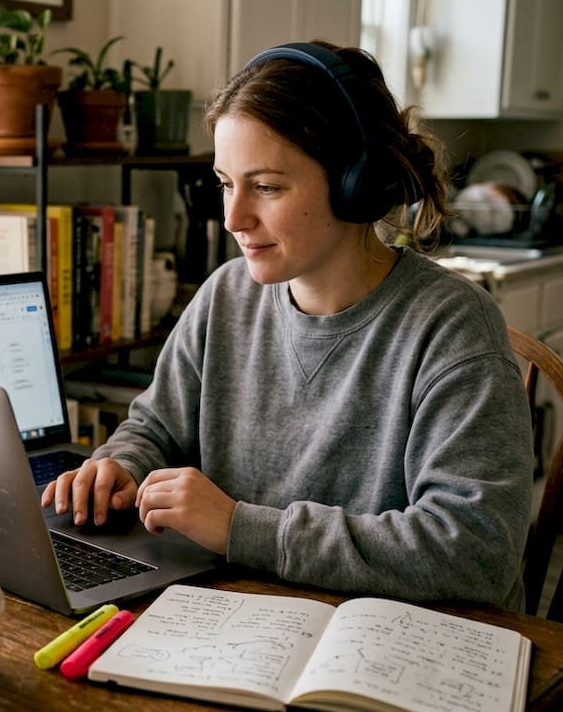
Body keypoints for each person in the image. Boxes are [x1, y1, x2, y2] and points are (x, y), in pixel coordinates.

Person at [41, 41, 534, 610]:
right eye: (226, 183)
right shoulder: (225, 296)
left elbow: (475, 552)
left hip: (393, 644)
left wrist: (240, 529)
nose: (233, 218)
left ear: (356, 181)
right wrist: (122, 466)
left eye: (267, 187)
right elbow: (155, 429)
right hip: (248, 616)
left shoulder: (452, 327)